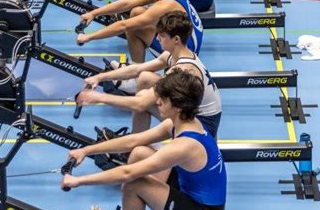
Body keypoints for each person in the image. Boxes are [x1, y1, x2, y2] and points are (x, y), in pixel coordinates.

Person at [61, 69, 226, 210]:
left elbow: (127, 173)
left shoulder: (185, 145)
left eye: (163, 101)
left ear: (177, 106)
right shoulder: (183, 122)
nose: (157, 103)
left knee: (135, 183)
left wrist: (78, 181)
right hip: (189, 192)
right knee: (139, 151)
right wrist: (86, 151)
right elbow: (134, 140)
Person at [76, 12, 222, 137]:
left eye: (162, 35)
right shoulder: (177, 53)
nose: (157, 38)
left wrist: (98, 97)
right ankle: (135, 138)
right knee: (145, 77)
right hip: (200, 112)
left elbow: (140, 104)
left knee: (143, 103)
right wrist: (99, 77)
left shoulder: (181, 69)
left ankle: (134, 143)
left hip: (203, 125)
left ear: (176, 39)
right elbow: (137, 69)